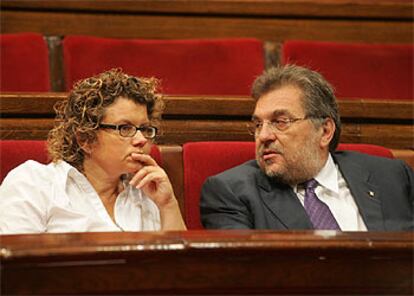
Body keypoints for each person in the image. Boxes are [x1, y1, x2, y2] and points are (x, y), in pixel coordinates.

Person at [201, 65, 413, 231]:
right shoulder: (232, 193)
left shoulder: (393, 177)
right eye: (258, 125)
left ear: (324, 131)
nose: (264, 135)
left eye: (281, 121)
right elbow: (246, 278)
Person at [0, 68, 186, 233]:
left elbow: (182, 267)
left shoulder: (147, 191)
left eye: (145, 129)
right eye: (124, 128)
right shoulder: (33, 184)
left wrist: (168, 204)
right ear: (85, 139)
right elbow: (16, 269)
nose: (141, 139)